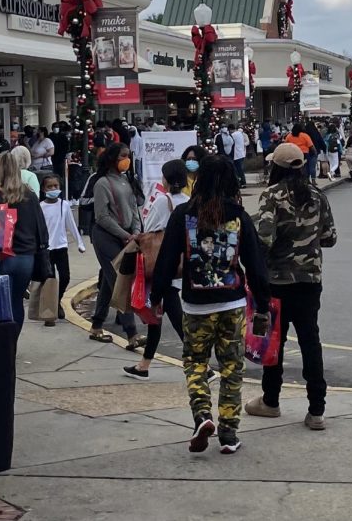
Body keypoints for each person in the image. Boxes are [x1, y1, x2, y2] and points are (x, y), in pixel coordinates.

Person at [151, 154, 271, 454]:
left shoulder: (183, 214)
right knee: (232, 367)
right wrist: (263, 304)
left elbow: (166, 260)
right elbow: (255, 265)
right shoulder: (240, 217)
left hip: (195, 305)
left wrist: (158, 296)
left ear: (199, 179)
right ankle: (229, 434)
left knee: (195, 362)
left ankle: (202, 415)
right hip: (232, 303)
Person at [246, 143, 337, 430]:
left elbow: (264, 239)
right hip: (310, 280)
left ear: (277, 168)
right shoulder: (317, 196)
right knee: (311, 341)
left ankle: (271, 401)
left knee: (275, 342)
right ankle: (317, 409)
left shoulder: (272, 196)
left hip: (278, 282)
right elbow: (330, 237)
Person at [124, 159, 209, 381]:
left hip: (162, 266)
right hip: (181, 265)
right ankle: (144, 366)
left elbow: (149, 232)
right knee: (156, 317)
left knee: (174, 318)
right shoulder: (190, 202)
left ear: (166, 179)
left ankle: (203, 367)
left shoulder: (163, 202)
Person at [0, 152, 47, 333]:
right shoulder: (28, 194)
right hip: (25, 257)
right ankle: (12, 344)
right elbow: (41, 227)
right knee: (16, 302)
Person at [88, 143, 145, 349]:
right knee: (121, 281)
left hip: (126, 236)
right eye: (122, 156)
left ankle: (96, 325)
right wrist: (126, 235)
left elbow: (134, 209)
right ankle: (132, 334)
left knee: (108, 281)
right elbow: (102, 217)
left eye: (128, 156)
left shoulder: (126, 180)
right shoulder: (101, 183)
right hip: (106, 237)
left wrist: (136, 233)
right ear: (113, 158)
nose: (126, 160)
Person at [39, 173, 85, 321]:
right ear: (43, 189)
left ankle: (56, 301)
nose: (53, 188)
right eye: (49, 186)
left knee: (65, 277)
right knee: (50, 279)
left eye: (56, 186)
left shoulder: (64, 205)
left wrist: (80, 242)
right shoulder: (40, 207)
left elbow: (71, 224)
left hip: (61, 247)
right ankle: (51, 310)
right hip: (47, 249)